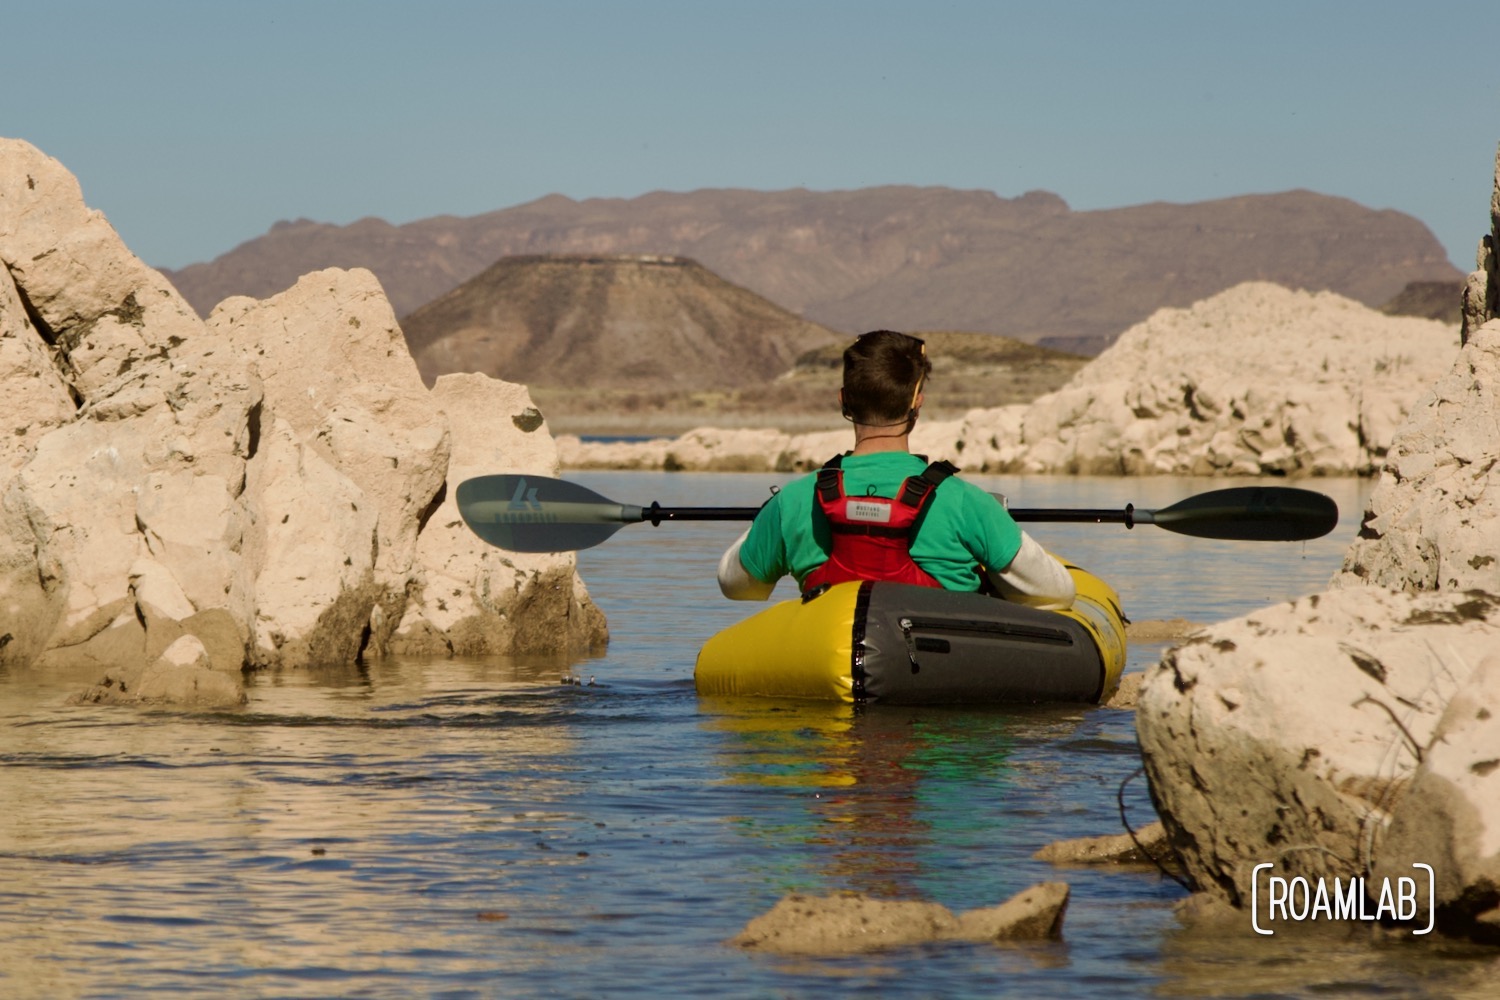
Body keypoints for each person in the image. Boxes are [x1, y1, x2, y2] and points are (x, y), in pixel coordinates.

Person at [717, 330, 1075, 608]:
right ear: (916, 402)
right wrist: (996, 524)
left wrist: (765, 519)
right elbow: (1056, 592)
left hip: (831, 663)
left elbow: (736, 586)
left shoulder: (794, 500)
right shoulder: (966, 501)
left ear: (844, 399)